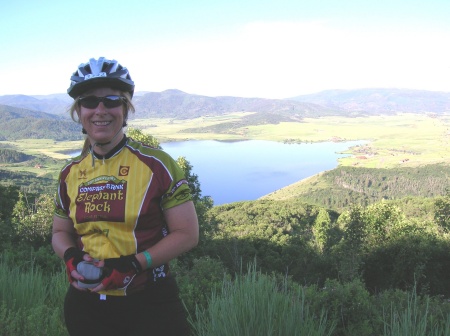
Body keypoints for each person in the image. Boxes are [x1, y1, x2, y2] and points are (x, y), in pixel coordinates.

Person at [52, 57, 199, 336]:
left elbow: (187, 233)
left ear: (125, 109)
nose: (100, 110)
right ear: (79, 111)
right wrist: (71, 256)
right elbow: (60, 231)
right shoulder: (69, 174)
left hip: (150, 304)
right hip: (86, 306)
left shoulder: (158, 166)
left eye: (111, 100)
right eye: (89, 101)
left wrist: (133, 264)